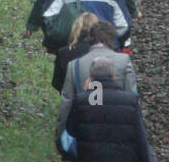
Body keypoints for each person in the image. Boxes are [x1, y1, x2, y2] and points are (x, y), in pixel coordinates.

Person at [55, 19, 138, 150]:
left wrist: (60, 136)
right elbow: (133, 99)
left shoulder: (75, 65)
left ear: (90, 38)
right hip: (117, 131)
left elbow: (66, 103)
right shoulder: (124, 60)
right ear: (111, 38)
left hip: (86, 134)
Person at [52, 11, 99, 94]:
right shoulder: (103, 52)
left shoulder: (64, 52)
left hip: (74, 100)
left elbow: (57, 83)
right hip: (98, 99)